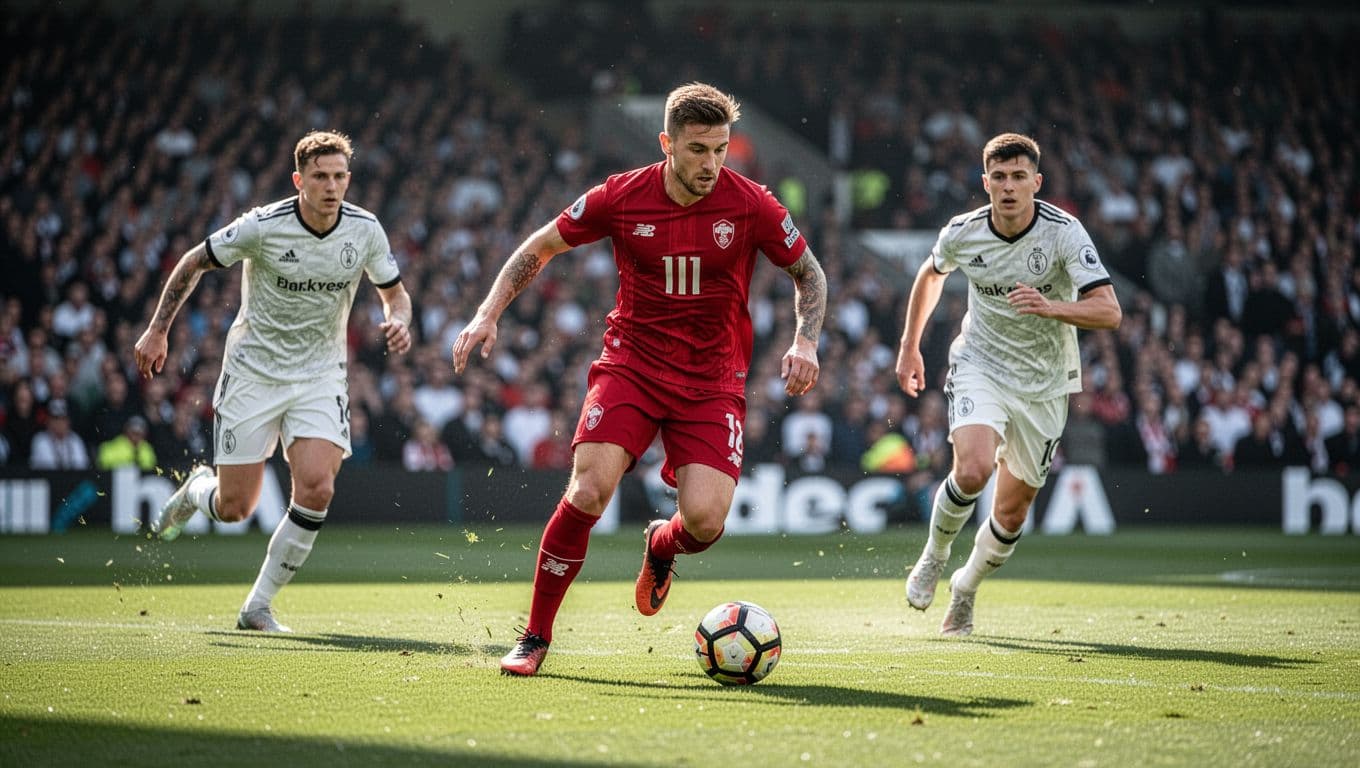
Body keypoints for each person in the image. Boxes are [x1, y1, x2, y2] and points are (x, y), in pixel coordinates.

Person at [452, 83, 826, 676]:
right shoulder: (622, 197)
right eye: (698, 149)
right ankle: (535, 636)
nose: (711, 164)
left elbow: (809, 273)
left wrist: (806, 340)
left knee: (704, 522)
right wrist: (486, 313)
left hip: (712, 382)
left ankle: (661, 544)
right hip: (632, 366)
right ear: (667, 143)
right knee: (588, 491)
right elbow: (540, 247)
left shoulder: (751, 203)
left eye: (721, 149)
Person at [133, 130, 412, 633]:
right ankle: (200, 490)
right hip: (253, 372)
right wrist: (157, 330)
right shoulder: (262, 226)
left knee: (318, 486)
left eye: (340, 176)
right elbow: (193, 261)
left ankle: (257, 606)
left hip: (320, 373)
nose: (331, 186)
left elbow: (395, 293)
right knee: (235, 507)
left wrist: (399, 319)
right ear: (298, 179)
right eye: (321, 176)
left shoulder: (366, 230)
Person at [895, 133, 1121, 637]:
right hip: (981, 364)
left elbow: (1109, 311)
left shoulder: (1064, 233)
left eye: (1020, 176)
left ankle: (966, 588)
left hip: (1044, 384)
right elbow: (931, 275)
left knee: (1012, 512)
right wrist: (910, 346)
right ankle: (934, 555)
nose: (1009, 186)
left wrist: (1052, 306)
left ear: (1036, 183)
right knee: (973, 470)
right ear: (986, 183)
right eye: (999, 177)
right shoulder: (963, 232)